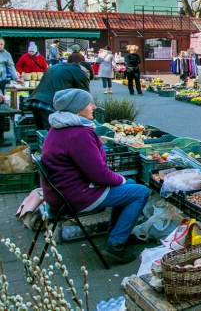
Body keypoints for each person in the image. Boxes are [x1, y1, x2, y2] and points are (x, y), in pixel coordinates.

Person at [41, 89, 149, 264]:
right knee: (140, 192)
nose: (93, 106)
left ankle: (116, 235)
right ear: (77, 109)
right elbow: (100, 176)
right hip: (74, 196)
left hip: (60, 193)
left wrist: (122, 182)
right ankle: (115, 244)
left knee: (129, 184)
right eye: (89, 103)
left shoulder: (59, 127)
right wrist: (119, 180)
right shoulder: (79, 134)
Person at [27, 62, 93, 131]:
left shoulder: (58, 66)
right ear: (87, 72)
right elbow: (85, 97)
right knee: (52, 132)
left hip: (35, 100)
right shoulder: (81, 73)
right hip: (49, 104)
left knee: (42, 132)